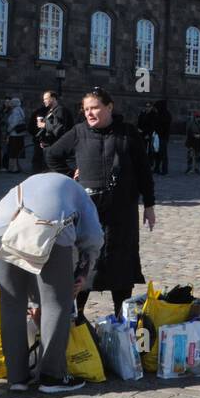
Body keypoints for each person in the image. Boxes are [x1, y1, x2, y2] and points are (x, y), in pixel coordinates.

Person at [0, 171, 103, 393]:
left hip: (1, 225)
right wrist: (84, 271)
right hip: (48, 224)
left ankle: (17, 378)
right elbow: (93, 237)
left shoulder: (36, 182)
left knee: (11, 303)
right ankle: (52, 377)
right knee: (56, 302)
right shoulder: (81, 194)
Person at [47, 88, 155, 319]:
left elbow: (144, 170)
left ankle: (120, 318)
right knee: (85, 264)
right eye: (86, 109)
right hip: (89, 211)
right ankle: (77, 317)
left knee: (122, 266)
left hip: (122, 213)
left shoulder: (128, 133)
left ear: (109, 107)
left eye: (94, 107)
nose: (89, 113)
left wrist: (149, 204)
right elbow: (52, 155)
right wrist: (69, 174)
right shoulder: (78, 132)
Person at [37, 90, 74, 171]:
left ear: (53, 99)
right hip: (49, 145)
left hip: (55, 146)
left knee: (56, 169)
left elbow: (59, 129)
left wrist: (44, 125)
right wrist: (44, 141)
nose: (44, 101)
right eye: (44, 99)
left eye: (46, 99)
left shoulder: (60, 110)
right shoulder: (51, 111)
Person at [2, 97, 28, 173]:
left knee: (13, 152)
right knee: (16, 152)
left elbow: (14, 123)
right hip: (19, 134)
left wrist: (8, 130)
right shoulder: (20, 110)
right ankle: (15, 167)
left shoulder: (16, 111)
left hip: (14, 134)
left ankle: (14, 168)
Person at [185, 109, 200, 174]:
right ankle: (189, 168)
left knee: (198, 156)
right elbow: (188, 131)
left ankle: (197, 168)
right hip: (191, 141)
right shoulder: (190, 122)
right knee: (190, 155)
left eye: (199, 117)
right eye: (197, 117)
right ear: (194, 117)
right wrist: (194, 135)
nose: (198, 118)